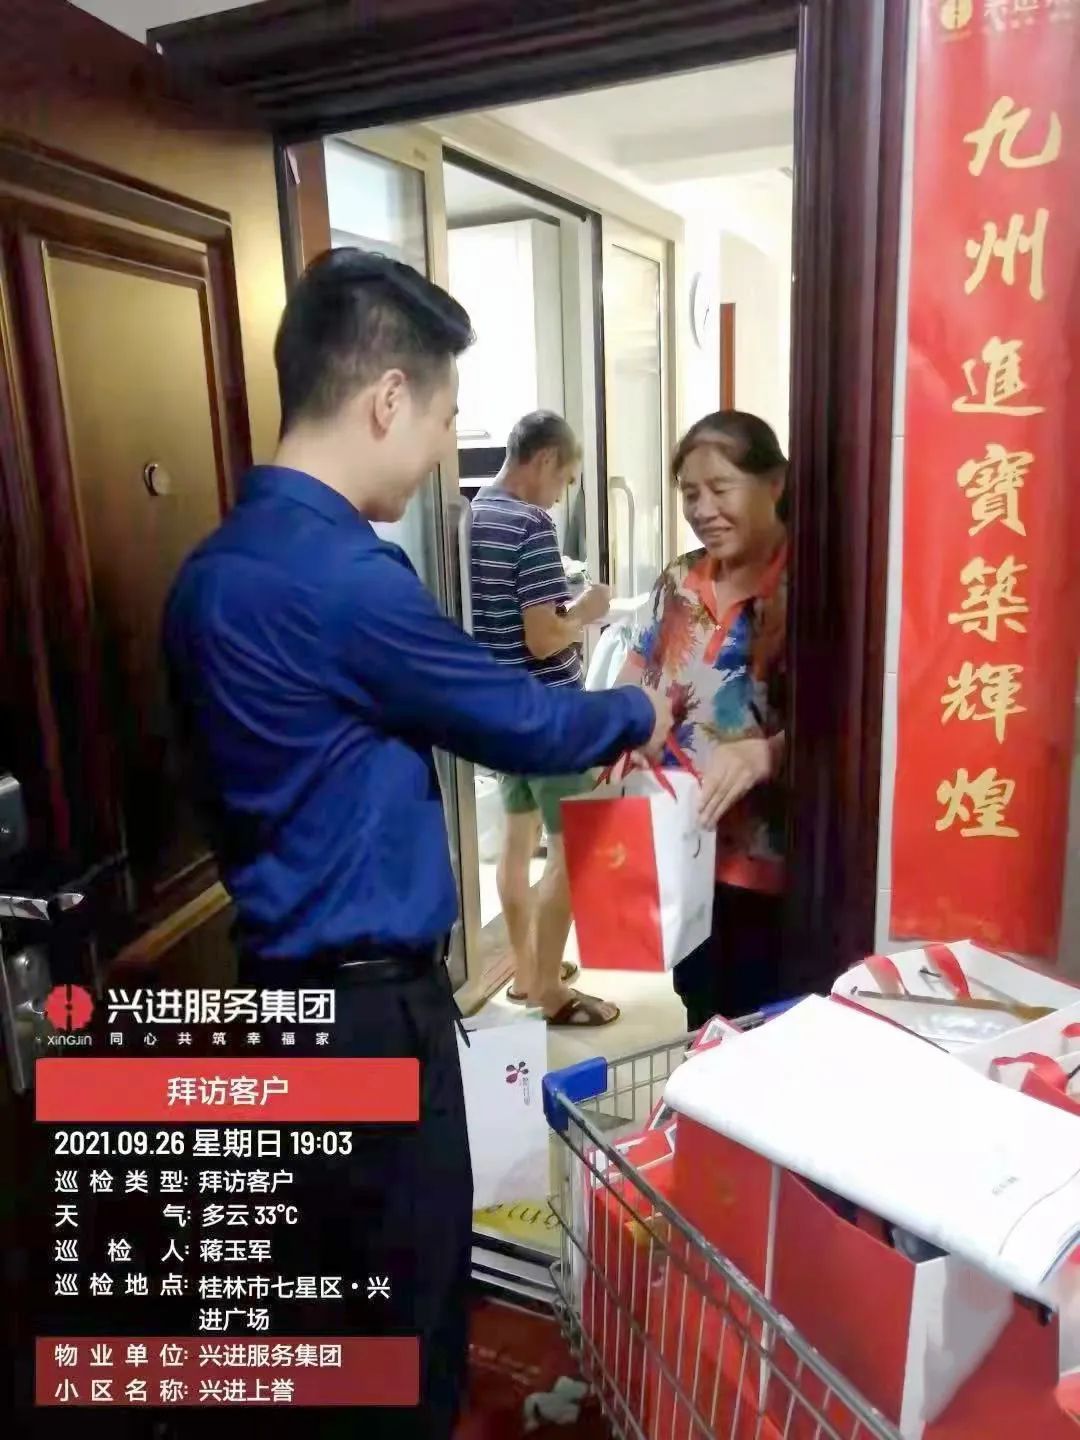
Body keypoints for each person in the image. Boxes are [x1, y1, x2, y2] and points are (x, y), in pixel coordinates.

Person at [163, 249, 672, 1439]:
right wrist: (640, 707)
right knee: (406, 1312)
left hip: (269, 994)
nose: (447, 451)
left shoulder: (207, 575)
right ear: (389, 397)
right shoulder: (346, 579)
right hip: (366, 1012)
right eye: (446, 420)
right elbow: (521, 719)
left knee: (316, 1313)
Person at [619, 410, 789, 1030]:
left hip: (769, 870)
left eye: (721, 488)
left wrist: (768, 752)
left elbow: (853, 726)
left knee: (764, 1029)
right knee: (700, 1014)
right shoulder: (681, 579)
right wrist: (624, 727)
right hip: (682, 852)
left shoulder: (815, 585)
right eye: (691, 493)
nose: (703, 509)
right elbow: (640, 670)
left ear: (774, 484)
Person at [470, 411, 618, 1027]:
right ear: (546, 459)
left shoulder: (475, 512)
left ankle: (529, 974)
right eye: (565, 479)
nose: (560, 495)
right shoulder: (531, 524)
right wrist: (588, 609)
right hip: (549, 716)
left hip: (502, 712)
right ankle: (553, 995)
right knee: (573, 852)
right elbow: (543, 636)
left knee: (516, 841)